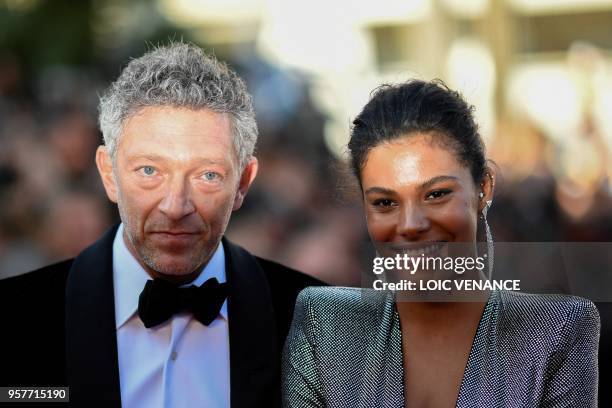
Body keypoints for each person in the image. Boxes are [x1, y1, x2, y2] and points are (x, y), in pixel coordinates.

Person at [0, 42, 323, 408]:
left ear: (243, 183)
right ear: (108, 174)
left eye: (207, 175)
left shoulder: (323, 326)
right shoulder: (11, 321)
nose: (175, 206)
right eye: (149, 171)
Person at [282, 79, 600, 407]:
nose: (410, 225)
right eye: (384, 203)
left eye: (436, 195)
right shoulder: (325, 327)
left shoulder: (557, 330)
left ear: (484, 188)